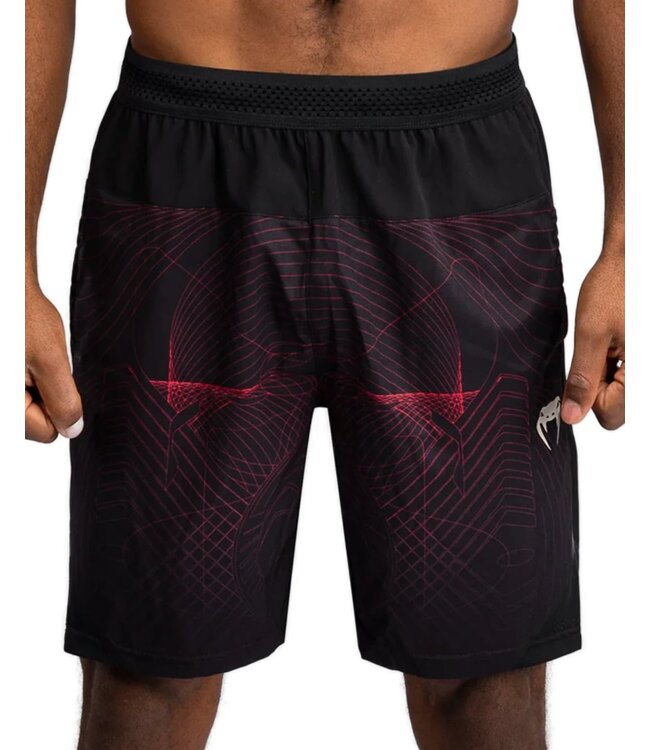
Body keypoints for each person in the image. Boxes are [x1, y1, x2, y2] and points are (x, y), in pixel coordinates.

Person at [25, 1, 624, 748]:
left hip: (458, 171)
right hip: (185, 159)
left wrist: (630, 240)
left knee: (485, 678)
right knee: (146, 674)